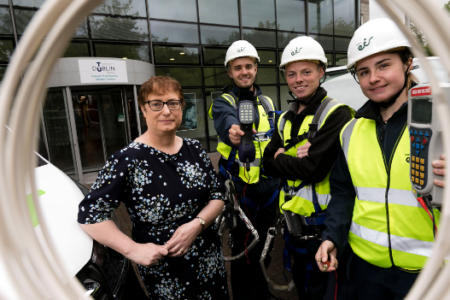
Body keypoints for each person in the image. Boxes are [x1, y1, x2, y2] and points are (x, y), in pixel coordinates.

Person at [315, 18, 444, 300]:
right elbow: (343, 194)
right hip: (363, 273)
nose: (373, 78)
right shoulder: (350, 131)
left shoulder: (442, 124)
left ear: (408, 63)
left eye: (384, 65)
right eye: (363, 71)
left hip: (427, 275)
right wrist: (332, 238)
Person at [77, 76, 228, 299]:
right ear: (143, 109)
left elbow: (218, 195)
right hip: (166, 274)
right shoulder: (127, 160)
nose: (166, 111)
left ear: (181, 107)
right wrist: (132, 250)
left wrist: (197, 224)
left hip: (209, 261)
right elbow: (90, 216)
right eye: (156, 103)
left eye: (173, 103)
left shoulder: (195, 149)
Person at [262, 36, 353, 299]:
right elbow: (268, 164)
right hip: (292, 231)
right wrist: (290, 161)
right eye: (292, 74)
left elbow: (314, 169)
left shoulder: (336, 114)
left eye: (306, 72)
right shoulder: (285, 119)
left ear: (321, 72)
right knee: (301, 290)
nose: (298, 79)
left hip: (323, 230)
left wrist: (282, 159)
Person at [210, 40, 280, 300]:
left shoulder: (266, 101)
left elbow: (272, 137)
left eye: (248, 66)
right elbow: (227, 121)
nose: (244, 72)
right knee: (243, 250)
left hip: (269, 189)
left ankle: (262, 292)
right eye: (238, 67)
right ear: (230, 72)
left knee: (266, 245)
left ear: (256, 68)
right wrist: (234, 132)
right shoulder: (222, 102)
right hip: (241, 193)